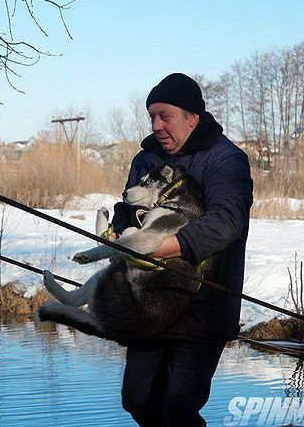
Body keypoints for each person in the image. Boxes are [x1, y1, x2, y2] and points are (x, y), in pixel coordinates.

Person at [110, 73, 253, 426]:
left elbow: (227, 220)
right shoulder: (146, 159)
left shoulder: (226, 159)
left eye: (165, 116)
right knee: (136, 399)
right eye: (152, 116)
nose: (157, 125)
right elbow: (127, 207)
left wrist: (166, 247)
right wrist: (119, 232)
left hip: (203, 308)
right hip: (148, 302)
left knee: (179, 408)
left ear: (193, 118)